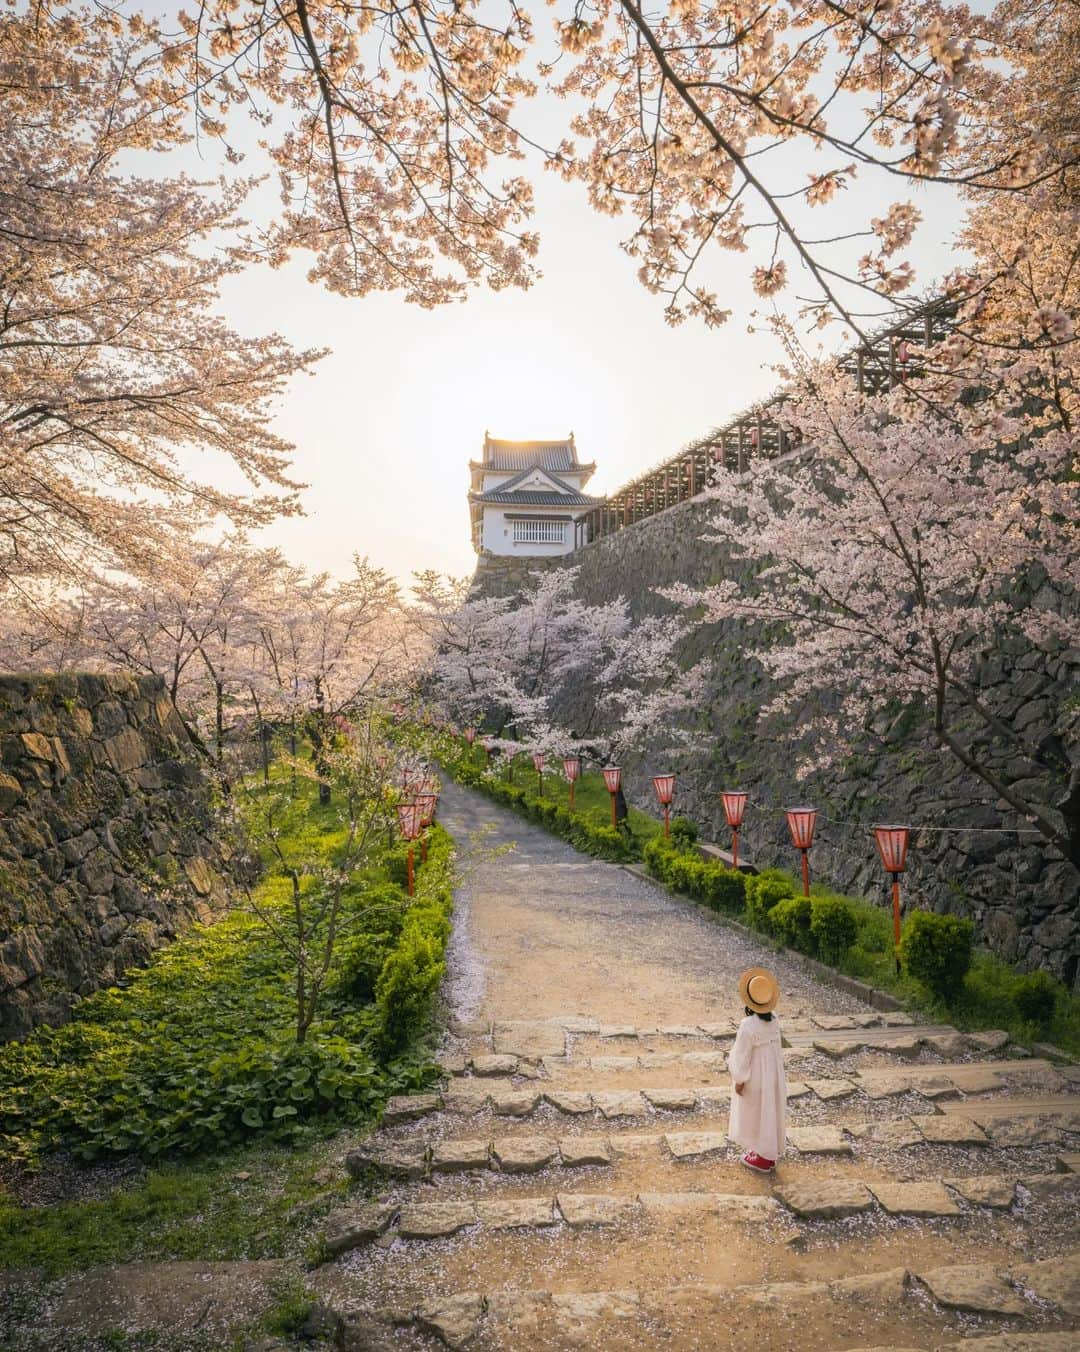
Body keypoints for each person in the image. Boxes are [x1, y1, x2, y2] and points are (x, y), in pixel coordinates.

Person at [727, 967, 786, 1173]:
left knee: (756, 1111)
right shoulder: (775, 1020)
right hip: (774, 1074)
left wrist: (739, 1079)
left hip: (756, 1076)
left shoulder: (748, 1025)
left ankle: (762, 1156)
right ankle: (768, 1152)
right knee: (770, 1109)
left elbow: (741, 1055)